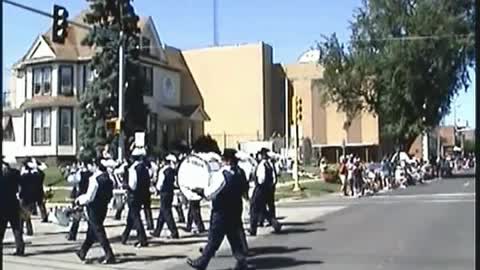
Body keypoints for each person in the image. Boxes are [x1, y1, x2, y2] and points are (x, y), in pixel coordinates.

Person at [187, 149, 249, 270]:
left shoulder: (222, 175)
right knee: (234, 238)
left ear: (226, 160)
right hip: (235, 210)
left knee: (213, 240)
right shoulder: (240, 173)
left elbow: (211, 194)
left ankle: (202, 262)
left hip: (221, 212)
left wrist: (200, 191)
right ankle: (242, 262)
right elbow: (244, 190)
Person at [75, 158, 115, 264]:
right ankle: (82, 252)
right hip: (103, 207)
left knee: (98, 231)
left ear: (96, 166)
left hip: (94, 208)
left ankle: (109, 254)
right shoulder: (108, 177)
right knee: (92, 231)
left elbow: (90, 197)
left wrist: (79, 200)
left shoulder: (94, 179)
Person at [121, 147, 150, 248]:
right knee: (131, 217)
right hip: (143, 195)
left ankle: (142, 239)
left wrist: (126, 186)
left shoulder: (133, 168)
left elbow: (132, 184)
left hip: (134, 195)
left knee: (136, 218)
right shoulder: (145, 168)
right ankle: (124, 237)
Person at [249, 148, 281, 236]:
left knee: (254, 208)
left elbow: (261, 179)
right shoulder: (270, 165)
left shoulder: (262, 165)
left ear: (262, 156)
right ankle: (275, 224)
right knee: (262, 209)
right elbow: (274, 178)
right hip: (268, 189)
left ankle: (253, 229)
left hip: (260, 189)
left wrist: (258, 183)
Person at [1, 156, 25, 256]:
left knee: (2, 228)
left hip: (2, 205)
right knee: (16, 228)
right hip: (13, 203)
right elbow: (21, 185)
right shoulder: (15, 173)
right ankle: (20, 248)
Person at [151, 154, 179, 239]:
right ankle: (157, 231)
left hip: (164, 193)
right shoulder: (173, 171)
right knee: (162, 213)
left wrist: (157, 190)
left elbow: (160, 183)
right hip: (170, 192)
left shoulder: (163, 170)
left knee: (166, 213)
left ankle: (174, 232)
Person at [66, 160, 93, 241]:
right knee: (89, 218)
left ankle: (72, 235)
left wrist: (72, 172)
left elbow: (70, 180)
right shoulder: (91, 174)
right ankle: (91, 235)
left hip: (80, 196)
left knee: (76, 217)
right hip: (89, 195)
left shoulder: (79, 174)